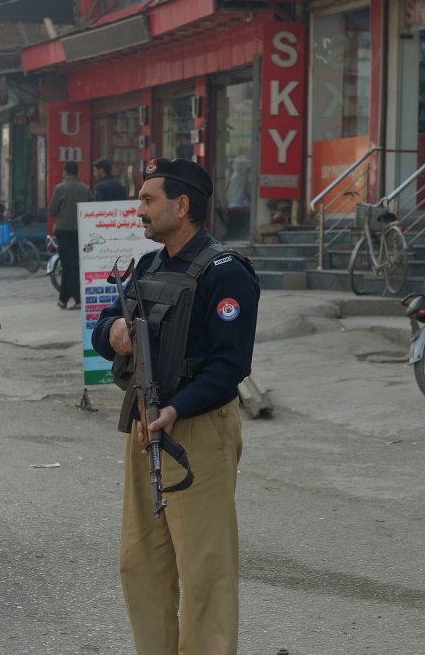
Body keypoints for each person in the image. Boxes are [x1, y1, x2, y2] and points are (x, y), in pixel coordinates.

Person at [91, 157, 259, 655]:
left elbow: (230, 367)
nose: (138, 210)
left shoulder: (226, 274)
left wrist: (177, 410)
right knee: (141, 563)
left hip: (196, 429)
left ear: (182, 206)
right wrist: (112, 332)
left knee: (205, 569)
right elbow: (105, 323)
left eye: (148, 200)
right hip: (147, 424)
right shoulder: (149, 266)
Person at [48, 161, 92, 310]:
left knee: (69, 265)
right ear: (77, 172)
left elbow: (52, 210)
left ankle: (79, 300)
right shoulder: (85, 189)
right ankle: (63, 299)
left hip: (64, 231)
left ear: (65, 172)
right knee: (70, 264)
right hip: (81, 230)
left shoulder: (60, 188)